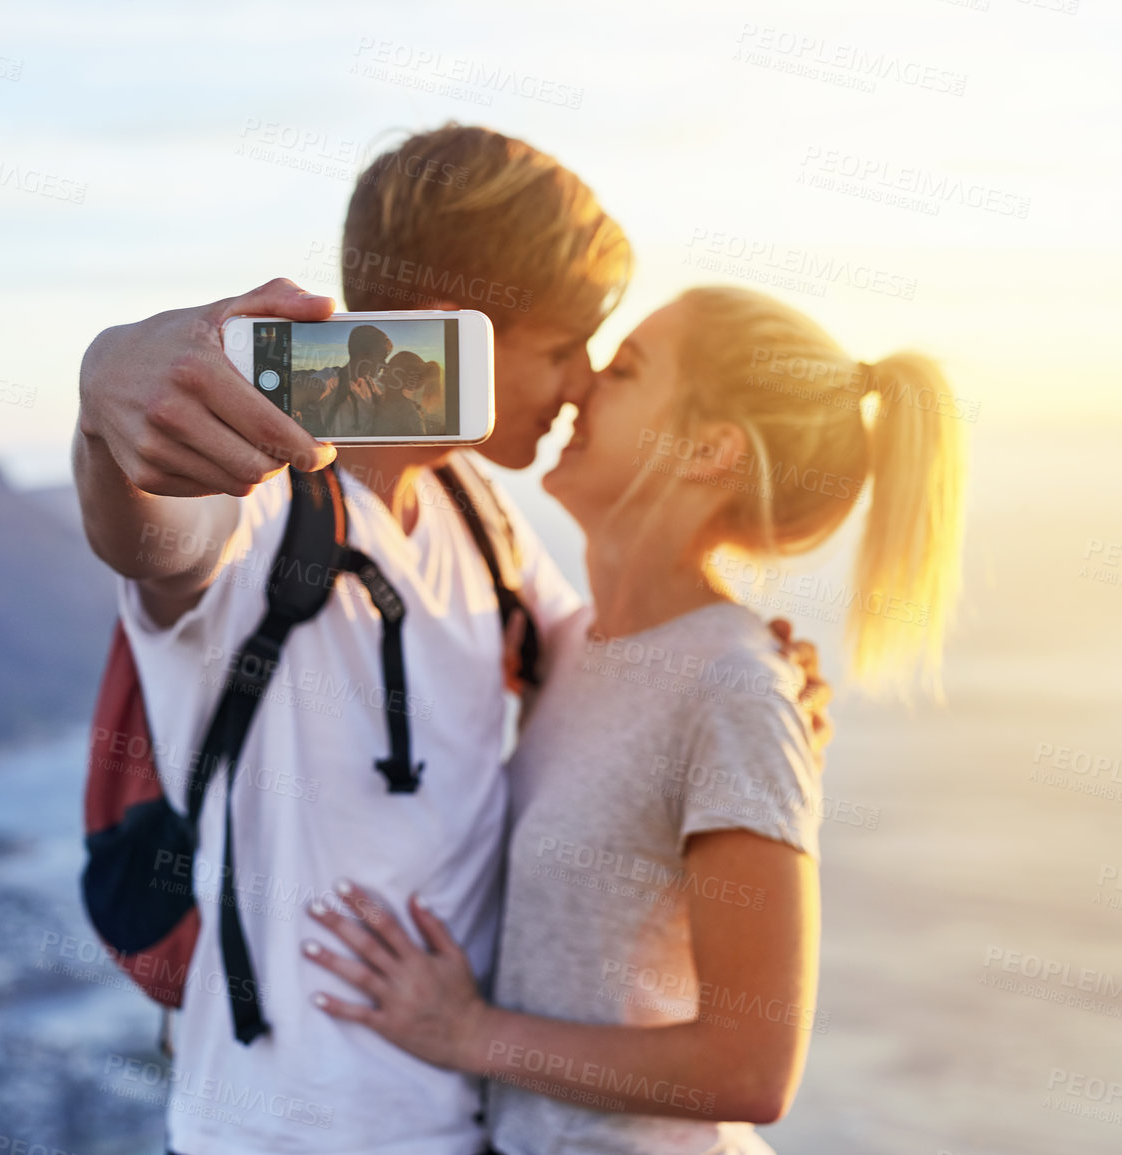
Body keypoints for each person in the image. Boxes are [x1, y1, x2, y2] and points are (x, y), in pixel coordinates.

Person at [74, 124, 826, 1155]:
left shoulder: (486, 519)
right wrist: (107, 398)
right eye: (563, 349)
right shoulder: (254, 513)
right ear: (449, 338)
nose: (580, 387)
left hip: (469, 1129)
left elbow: (625, 672)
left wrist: (760, 678)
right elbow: (150, 533)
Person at [301, 286, 967, 1154]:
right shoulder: (572, 645)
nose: (580, 388)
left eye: (623, 370)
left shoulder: (737, 687)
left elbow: (751, 1068)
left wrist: (467, 1033)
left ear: (706, 448)